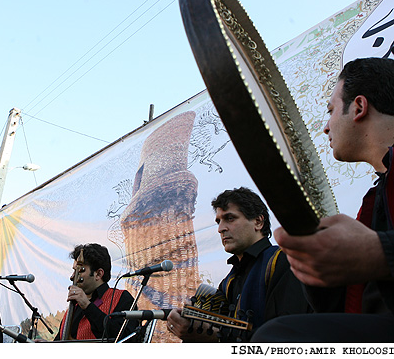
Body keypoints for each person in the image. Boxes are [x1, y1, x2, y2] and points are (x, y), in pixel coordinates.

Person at [252, 57, 394, 342]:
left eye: (331, 111)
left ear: (359, 107)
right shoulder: (374, 198)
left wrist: (381, 253)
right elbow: (345, 308)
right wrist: (314, 270)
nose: (326, 127)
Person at [167, 187, 311, 342]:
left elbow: (290, 335)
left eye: (230, 218)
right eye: (218, 221)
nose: (221, 229)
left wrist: (215, 337)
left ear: (258, 222)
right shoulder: (228, 282)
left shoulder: (285, 261)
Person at [53, 243, 137, 341]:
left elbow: (125, 338)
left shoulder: (122, 298)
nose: (72, 277)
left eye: (80, 271)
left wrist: (88, 306)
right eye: (74, 271)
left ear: (98, 274)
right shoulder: (73, 308)